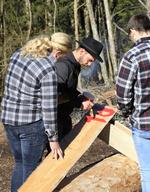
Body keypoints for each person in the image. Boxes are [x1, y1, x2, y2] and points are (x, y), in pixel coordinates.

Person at [1, 32, 72, 192]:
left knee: (20, 164)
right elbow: (48, 108)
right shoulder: (47, 70)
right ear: (58, 52)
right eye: (62, 57)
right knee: (31, 169)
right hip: (30, 125)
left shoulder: (19, 53)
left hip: (9, 119)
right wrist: (53, 139)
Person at [116, 14, 150, 192]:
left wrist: (126, 111)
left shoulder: (131, 56)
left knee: (148, 172)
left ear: (132, 31)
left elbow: (123, 94)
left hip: (143, 121)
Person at [54, 37, 103, 143]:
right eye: (90, 60)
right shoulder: (63, 65)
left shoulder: (75, 65)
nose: (90, 64)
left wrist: (82, 97)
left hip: (64, 116)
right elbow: (56, 94)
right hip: (54, 118)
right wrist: (79, 102)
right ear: (82, 51)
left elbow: (69, 90)